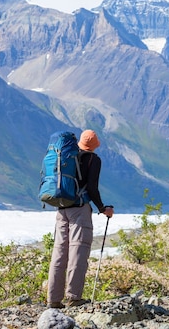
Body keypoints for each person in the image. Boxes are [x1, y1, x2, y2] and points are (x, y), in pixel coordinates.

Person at [47, 129, 114, 308]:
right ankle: (74, 297)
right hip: (79, 210)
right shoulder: (93, 159)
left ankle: (53, 299)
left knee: (59, 252)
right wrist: (102, 208)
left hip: (61, 209)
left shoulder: (67, 156)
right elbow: (91, 188)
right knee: (78, 251)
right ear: (95, 144)